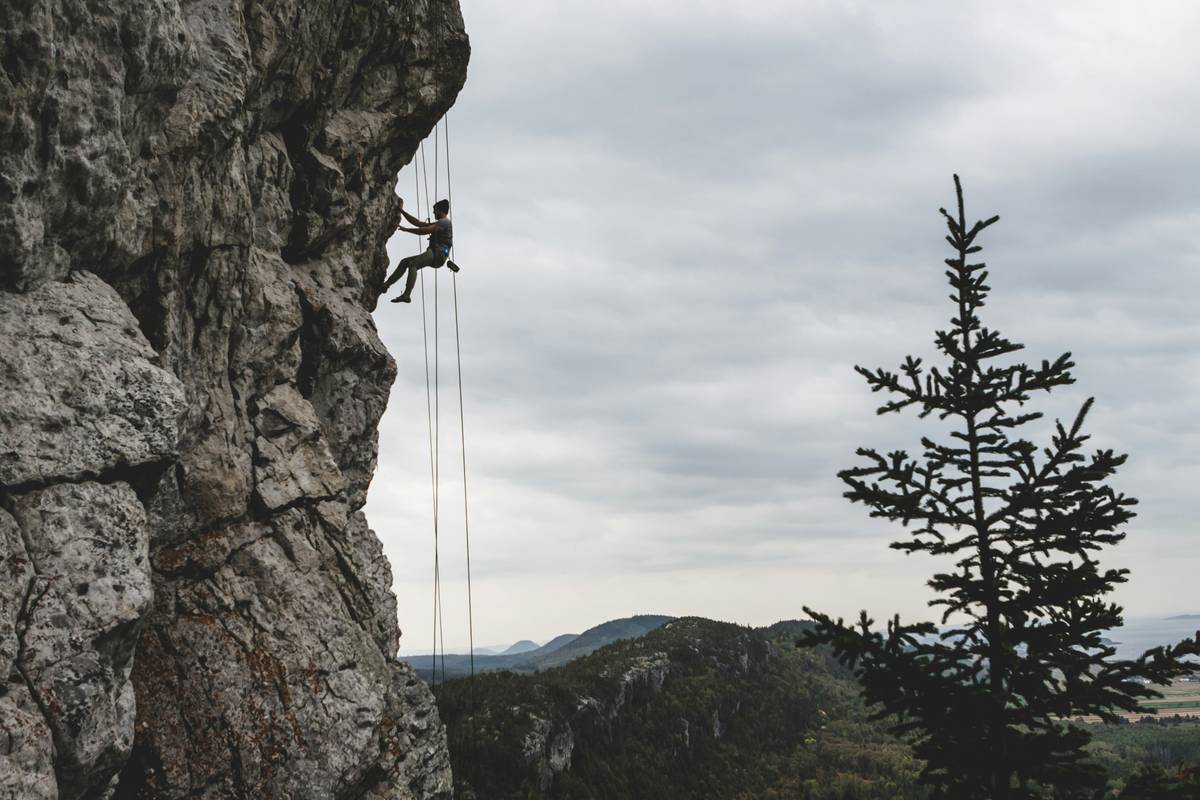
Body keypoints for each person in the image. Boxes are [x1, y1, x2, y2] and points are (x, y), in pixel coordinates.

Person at [384, 198, 457, 303]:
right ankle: (386, 285)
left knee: (413, 264)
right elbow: (418, 223)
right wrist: (401, 211)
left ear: (440, 210)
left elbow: (423, 231)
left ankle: (406, 295)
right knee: (405, 262)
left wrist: (406, 230)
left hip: (438, 254)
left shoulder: (444, 222)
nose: (433, 212)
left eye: (435, 210)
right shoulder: (441, 223)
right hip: (435, 253)